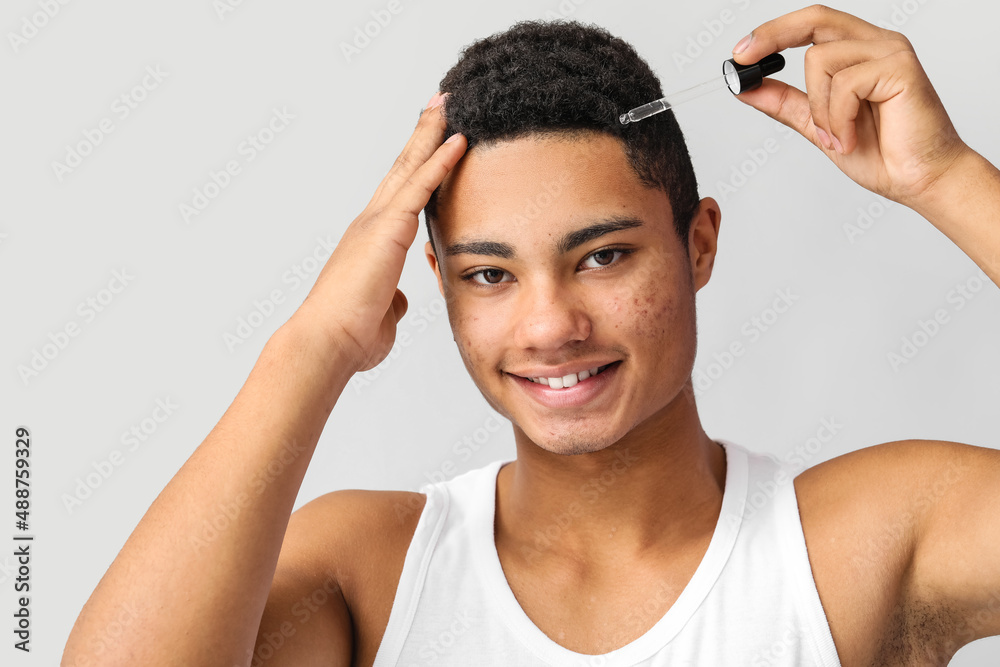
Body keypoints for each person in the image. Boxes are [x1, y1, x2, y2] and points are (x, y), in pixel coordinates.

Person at [62, 5, 1000, 666]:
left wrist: (950, 180)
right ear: (439, 285)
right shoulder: (370, 569)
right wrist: (309, 349)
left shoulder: (865, 540)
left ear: (698, 244)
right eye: (488, 274)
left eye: (602, 257)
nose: (550, 324)